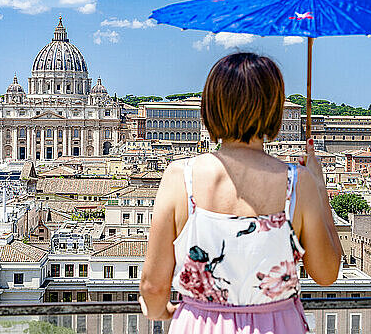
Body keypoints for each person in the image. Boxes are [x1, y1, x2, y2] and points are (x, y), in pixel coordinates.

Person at [140, 53, 343, 333]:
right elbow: (327, 273)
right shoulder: (299, 183)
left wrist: (163, 311)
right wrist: (320, 191)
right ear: (274, 111)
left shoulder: (179, 177)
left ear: (209, 108)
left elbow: (153, 286)